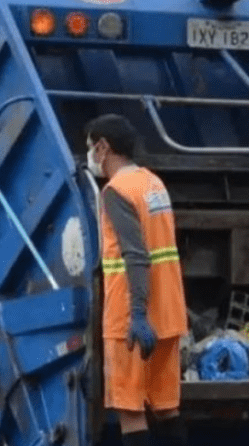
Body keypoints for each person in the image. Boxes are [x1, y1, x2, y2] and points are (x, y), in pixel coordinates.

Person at [85, 114, 189, 446]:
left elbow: (135, 255)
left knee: (130, 410)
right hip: (168, 314)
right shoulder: (153, 183)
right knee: (166, 407)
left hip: (130, 318)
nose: (89, 155)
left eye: (90, 147)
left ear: (103, 147)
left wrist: (138, 314)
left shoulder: (116, 191)